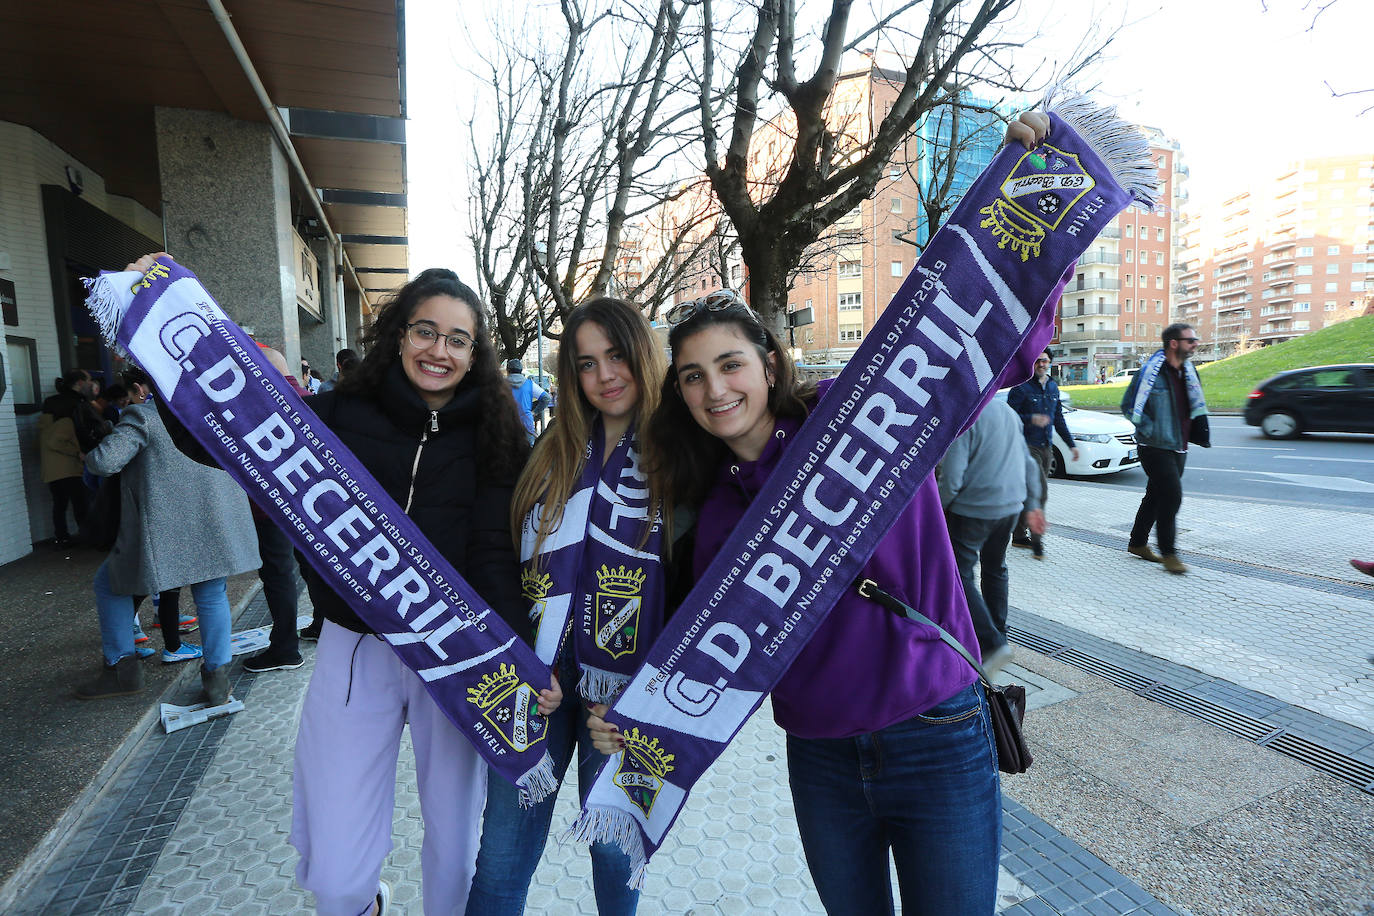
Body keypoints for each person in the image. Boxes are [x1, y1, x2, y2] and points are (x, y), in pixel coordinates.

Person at [273, 266, 557, 916]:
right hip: (356, 652)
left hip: (454, 659)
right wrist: (178, 355)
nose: (440, 350)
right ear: (399, 336)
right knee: (338, 877)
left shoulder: (494, 432)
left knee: (454, 858)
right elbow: (241, 436)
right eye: (426, 331)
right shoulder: (341, 412)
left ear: (475, 353)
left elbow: (492, 555)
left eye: (458, 339)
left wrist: (520, 658)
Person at [466, 298, 680, 916]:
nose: (605, 375)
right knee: (502, 854)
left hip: (628, 698)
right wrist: (522, 660)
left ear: (642, 354)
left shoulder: (682, 456)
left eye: (616, 356)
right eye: (586, 364)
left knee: (616, 855)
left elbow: (699, 584)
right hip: (535, 685)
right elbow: (509, 562)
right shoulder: (550, 452)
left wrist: (644, 696)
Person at [73, 385, 259, 702]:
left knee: (110, 584)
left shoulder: (143, 416)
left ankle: (121, 670)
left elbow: (104, 462)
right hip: (216, 523)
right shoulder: (218, 413)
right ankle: (216, 679)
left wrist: (90, 451)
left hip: (164, 530)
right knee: (212, 594)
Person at [939, 397, 1046, 674]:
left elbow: (952, 477)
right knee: (996, 567)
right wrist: (1032, 504)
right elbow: (1029, 464)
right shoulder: (1007, 411)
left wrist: (940, 509)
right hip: (1010, 507)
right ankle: (1000, 633)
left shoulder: (966, 413)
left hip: (973, 509)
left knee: (959, 574)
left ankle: (991, 644)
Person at [241, 346, 311, 674]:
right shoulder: (307, 399)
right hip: (308, 500)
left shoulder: (256, 402)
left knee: (278, 573)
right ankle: (321, 624)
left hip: (271, 505)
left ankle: (285, 648)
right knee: (309, 566)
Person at [1121, 323, 1210, 575]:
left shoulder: (1189, 372)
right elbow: (1129, 405)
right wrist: (1149, 429)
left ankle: (1137, 543)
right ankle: (1170, 553)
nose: (1195, 343)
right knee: (1172, 496)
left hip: (1178, 446)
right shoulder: (1149, 373)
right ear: (1174, 343)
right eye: (1190, 340)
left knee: (1155, 495)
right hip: (1153, 445)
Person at [1007, 349, 1077, 557]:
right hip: (1027, 447)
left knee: (1029, 493)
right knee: (1039, 493)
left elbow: (1059, 419)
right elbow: (1010, 417)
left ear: (1050, 363)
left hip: (1046, 447)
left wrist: (1071, 445)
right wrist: (1031, 418)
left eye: (1045, 361)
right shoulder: (1021, 388)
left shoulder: (1053, 387)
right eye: (1037, 360)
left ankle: (1019, 536)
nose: (1041, 364)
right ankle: (1037, 543)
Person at [506, 358, 552, 443]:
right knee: (528, 454)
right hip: (526, 424)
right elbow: (546, 398)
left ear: (508, 370)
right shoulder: (529, 384)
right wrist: (534, 412)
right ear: (521, 370)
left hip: (506, 425)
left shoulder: (501, 384)